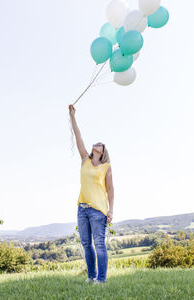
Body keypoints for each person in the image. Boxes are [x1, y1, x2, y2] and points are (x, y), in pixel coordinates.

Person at [68, 104, 114, 284]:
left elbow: (111, 190)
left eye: (101, 144)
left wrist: (111, 211)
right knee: (87, 245)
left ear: (103, 151)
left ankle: (101, 280)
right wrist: (72, 116)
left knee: (100, 244)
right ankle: (91, 277)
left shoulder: (106, 167)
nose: (98, 143)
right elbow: (78, 136)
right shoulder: (85, 160)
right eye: (96, 143)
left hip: (98, 211)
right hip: (82, 209)